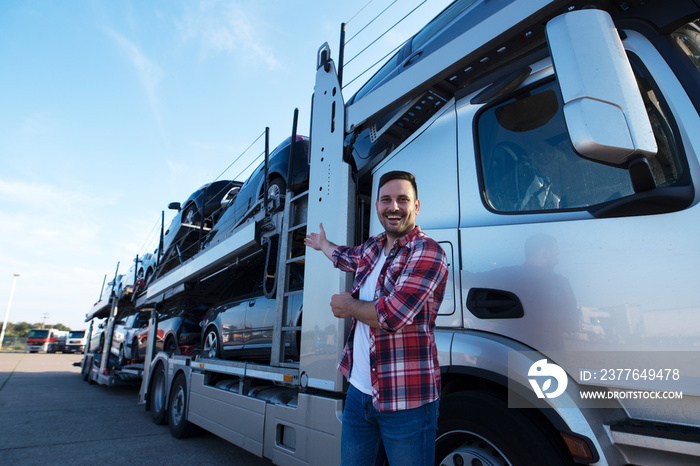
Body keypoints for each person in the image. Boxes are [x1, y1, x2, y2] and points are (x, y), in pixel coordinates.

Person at [304, 170, 449, 466]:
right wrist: (323, 245)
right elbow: (346, 257)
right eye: (386, 200)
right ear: (377, 206)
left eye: (402, 199)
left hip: (407, 400)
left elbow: (394, 314)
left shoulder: (428, 251)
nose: (393, 207)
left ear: (416, 206)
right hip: (359, 394)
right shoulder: (373, 246)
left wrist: (350, 306)